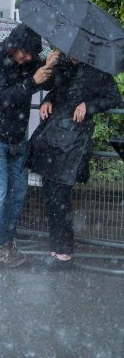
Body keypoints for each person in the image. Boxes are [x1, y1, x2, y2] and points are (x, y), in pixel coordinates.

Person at [0, 24, 57, 268]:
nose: (29, 58)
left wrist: (49, 66)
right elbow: (2, 98)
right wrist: (32, 81)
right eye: (25, 53)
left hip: (16, 136)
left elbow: (47, 84)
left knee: (17, 193)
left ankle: (8, 242)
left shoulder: (27, 61)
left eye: (32, 54)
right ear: (14, 47)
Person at [30, 54, 123, 267]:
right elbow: (56, 90)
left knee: (60, 195)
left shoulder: (97, 69)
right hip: (54, 137)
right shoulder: (62, 65)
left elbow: (113, 98)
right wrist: (47, 101)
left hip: (75, 141)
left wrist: (88, 105)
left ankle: (64, 252)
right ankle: (57, 249)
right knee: (50, 192)